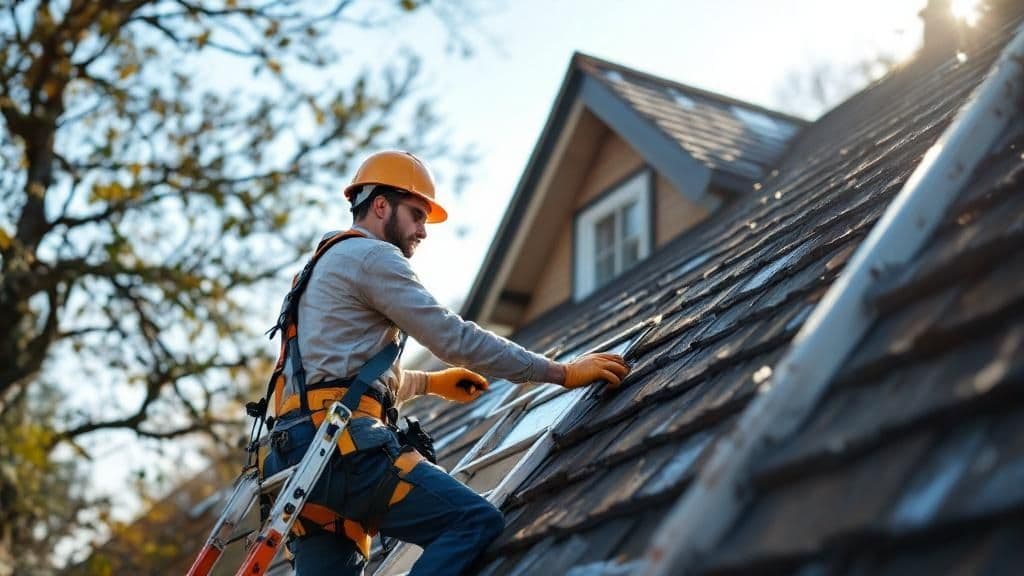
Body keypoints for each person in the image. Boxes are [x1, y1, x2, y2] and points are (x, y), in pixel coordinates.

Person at [261, 150, 631, 576]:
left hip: (295, 461)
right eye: (416, 214)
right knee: (471, 521)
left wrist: (428, 384)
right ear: (381, 205)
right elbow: (452, 337)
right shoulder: (372, 257)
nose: (422, 230)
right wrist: (560, 372)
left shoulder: (318, 267)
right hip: (342, 453)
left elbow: (329, 383)